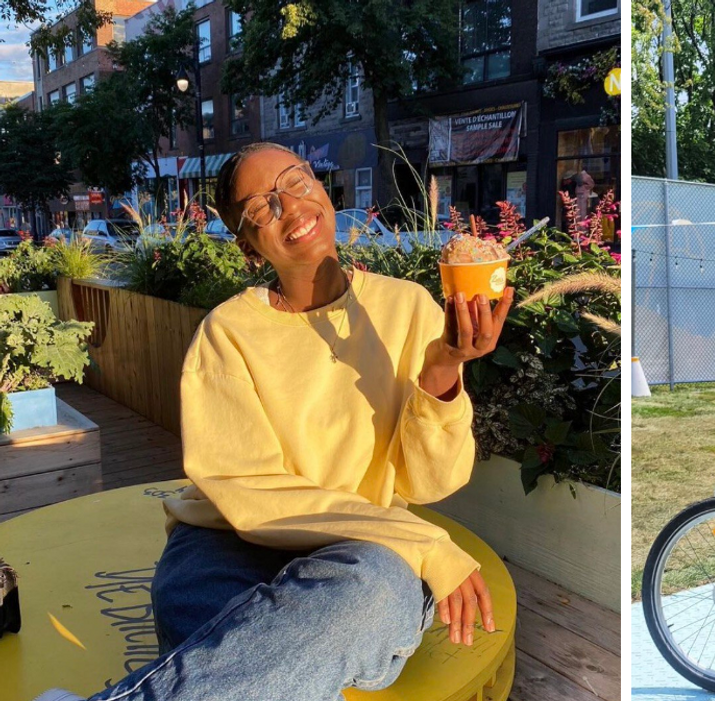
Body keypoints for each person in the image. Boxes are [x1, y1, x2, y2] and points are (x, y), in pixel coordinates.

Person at [34, 141, 515, 701]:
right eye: (262, 207)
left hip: (359, 552)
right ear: (247, 244)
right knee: (254, 647)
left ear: (320, 185)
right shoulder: (228, 333)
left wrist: (441, 371)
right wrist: (426, 544)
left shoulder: (406, 307)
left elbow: (432, 482)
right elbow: (250, 492)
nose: (290, 206)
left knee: (370, 597)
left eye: (296, 180)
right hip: (223, 546)